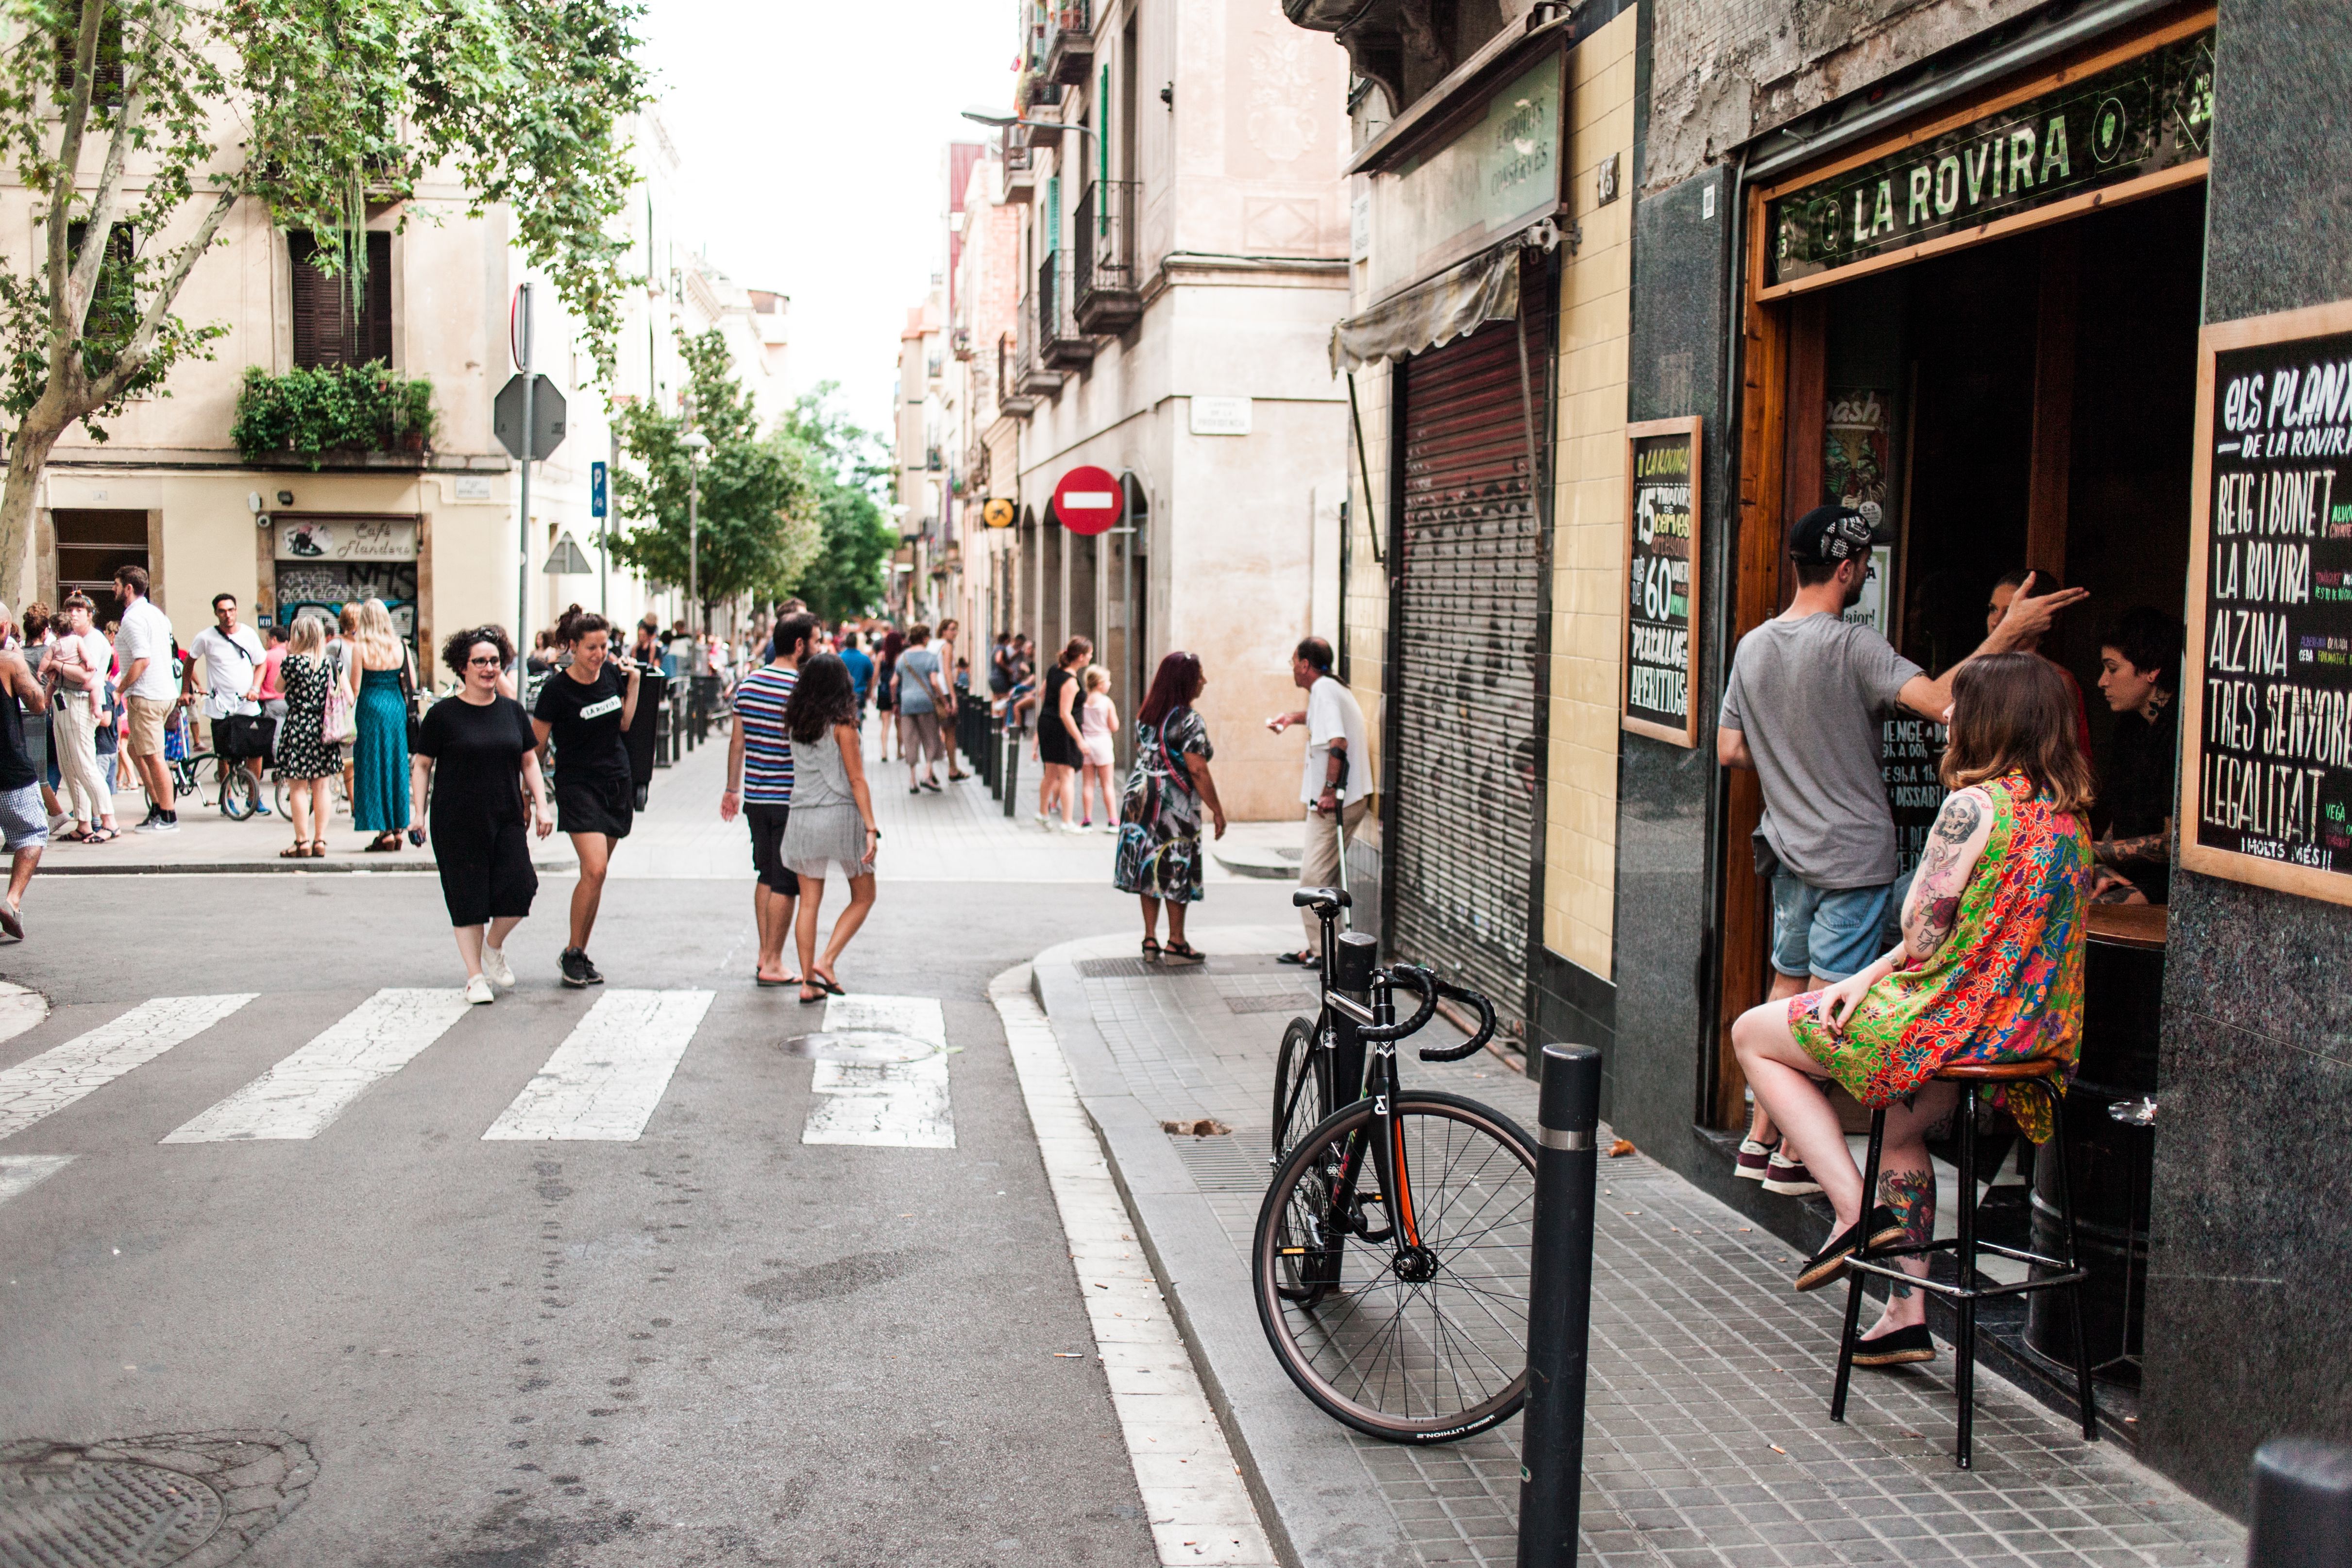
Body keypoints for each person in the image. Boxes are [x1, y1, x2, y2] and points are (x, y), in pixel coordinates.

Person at [1730, 652, 2093, 1366]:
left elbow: (1921, 930)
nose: (1947, 714)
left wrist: (1884, 962)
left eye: (1962, 704)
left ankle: (1850, 1212)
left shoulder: (1973, 806)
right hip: (2027, 1038)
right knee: (1899, 1130)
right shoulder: (2068, 822)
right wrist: (1867, 974)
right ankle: (1904, 1312)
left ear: (1995, 718)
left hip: (1947, 1025)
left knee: (1752, 1033)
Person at [1717, 506, 2083, 1196]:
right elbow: (1942, 700)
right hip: (1850, 853)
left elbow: (1731, 748)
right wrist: (2006, 634)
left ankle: (1758, 1141)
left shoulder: (1753, 646)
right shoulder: (1854, 646)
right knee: (1824, 1001)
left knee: (1786, 980)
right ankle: (1797, 1154)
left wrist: (1792, 757)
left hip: (1786, 846)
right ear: (1849, 568)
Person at [414, 625, 552, 1005]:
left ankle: (493, 946)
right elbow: (422, 764)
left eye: (495, 661)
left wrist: (541, 804)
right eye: (480, 662)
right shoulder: (442, 715)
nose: (489, 668)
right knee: (467, 899)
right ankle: (475, 976)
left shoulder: (511, 711)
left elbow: (529, 760)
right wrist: (418, 815)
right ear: (463, 667)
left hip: (506, 814)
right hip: (455, 819)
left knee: (522, 887)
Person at [532, 605, 642, 987]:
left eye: (604, 646)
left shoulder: (612, 674)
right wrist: (534, 798)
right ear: (573, 647)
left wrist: (635, 684)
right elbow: (537, 747)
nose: (600, 655)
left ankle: (577, 951)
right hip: (578, 786)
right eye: (592, 648)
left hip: (616, 782)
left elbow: (625, 723)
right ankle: (572, 953)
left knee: (596, 875)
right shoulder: (556, 691)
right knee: (594, 869)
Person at [722, 611, 817, 987]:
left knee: (765, 873)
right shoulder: (801, 687)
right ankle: (774, 962)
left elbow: (737, 742)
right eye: (816, 640)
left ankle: (764, 953)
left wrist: (732, 789)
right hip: (789, 798)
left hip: (756, 798)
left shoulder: (749, 683)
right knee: (785, 882)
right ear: (799, 645)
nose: (819, 647)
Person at [1114, 651, 1227, 966]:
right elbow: (1197, 769)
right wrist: (1217, 809)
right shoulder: (1190, 720)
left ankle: (1149, 938)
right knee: (1175, 861)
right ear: (1185, 681)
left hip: (1138, 795)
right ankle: (1176, 941)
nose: (1204, 680)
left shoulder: (1147, 716)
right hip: (1171, 800)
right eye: (1199, 675)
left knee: (1148, 863)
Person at [779, 651, 879, 1004]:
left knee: (809, 902)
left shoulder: (796, 723)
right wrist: (871, 827)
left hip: (803, 817)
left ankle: (808, 982)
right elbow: (857, 780)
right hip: (839, 816)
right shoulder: (844, 725)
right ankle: (827, 960)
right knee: (864, 896)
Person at [1266, 636, 1371, 965]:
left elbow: (1337, 742)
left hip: (1335, 803)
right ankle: (1330, 950)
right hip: (1346, 798)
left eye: (1293, 661)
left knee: (1312, 880)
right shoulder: (1329, 689)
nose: (1292, 668)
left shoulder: (1324, 690)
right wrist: (1291, 718)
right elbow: (1324, 722)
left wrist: (1328, 791)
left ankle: (1322, 953)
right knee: (1325, 880)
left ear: (1305, 665)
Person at [2090, 607, 2183, 906]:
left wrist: (2088, 851)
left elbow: (2175, 845)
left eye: (2113, 669)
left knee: (2092, 914)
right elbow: (2117, 814)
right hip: (2124, 872)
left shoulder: (2180, 732)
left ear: (2151, 670)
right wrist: (2099, 867)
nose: (2102, 681)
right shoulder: (2130, 726)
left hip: (2166, 882)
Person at [1986, 568, 2093, 755]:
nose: (1996, 621)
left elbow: (2061, 763)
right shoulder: (1983, 673)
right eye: (1993, 609)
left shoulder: (2055, 680)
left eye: (2011, 612)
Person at [184, 592, 272, 814]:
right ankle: (227, 799)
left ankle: (255, 798)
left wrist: (255, 688)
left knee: (255, 751)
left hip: (247, 704)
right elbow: (189, 662)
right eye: (223, 611)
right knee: (224, 755)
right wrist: (187, 689)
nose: (228, 615)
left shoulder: (249, 635)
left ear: (237, 611)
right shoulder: (206, 637)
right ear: (216, 613)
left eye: (231, 610)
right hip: (220, 705)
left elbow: (261, 663)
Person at [111, 565, 178, 833]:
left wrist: (119, 691)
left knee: (153, 756)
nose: (113, 590)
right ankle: (157, 807)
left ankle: (168, 815)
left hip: (147, 695)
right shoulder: (157, 615)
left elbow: (142, 660)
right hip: (162, 693)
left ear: (128, 588)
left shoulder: (133, 619)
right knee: (134, 750)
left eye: (116, 585)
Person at [49, 593, 116, 844]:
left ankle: (109, 821)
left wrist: (58, 665)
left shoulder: (94, 640)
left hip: (81, 702)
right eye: (70, 610)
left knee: (86, 765)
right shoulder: (70, 639)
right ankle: (84, 823)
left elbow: (87, 677)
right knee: (69, 766)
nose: (74, 613)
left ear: (90, 614)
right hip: (63, 701)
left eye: (79, 610)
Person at [348, 598, 414, 852]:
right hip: (395, 708)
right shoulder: (401, 646)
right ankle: (398, 828)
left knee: (372, 766)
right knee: (395, 765)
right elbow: (411, 679)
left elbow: (355, 686)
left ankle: (384, 831)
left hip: (371, 707)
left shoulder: (360, 648)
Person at [274, 615, 343, 859]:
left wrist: (290, 653)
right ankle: (320, 840)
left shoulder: (292, 663)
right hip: (323, 729)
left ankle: (302, 841)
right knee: (322, 786)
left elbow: (277, 687)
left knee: (298, 787)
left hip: (297, 727)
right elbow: (347, 695)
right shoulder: (330, 664)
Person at [0, 605, 49, 936]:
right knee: (32, 833)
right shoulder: (8, 660)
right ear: (5, 626)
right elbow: (38, 703)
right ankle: (12, 901)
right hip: (9, 766)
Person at [1034, 635, 1091, 829]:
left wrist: (1048, 708)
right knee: (1067, 775)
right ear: (1081, 657)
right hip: (1062, 729)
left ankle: (1043, 813)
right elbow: (1065, 714)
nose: (1091, 658)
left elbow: (1042, 692)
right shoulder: (1071, 681)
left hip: (1047, 723)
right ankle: (1067, 821)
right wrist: (1080, 740)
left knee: (1050, 773)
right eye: (1090, 654)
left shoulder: (1054, 670)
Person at [894, 623, 949, 792]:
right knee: (931, 738)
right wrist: (944, 701)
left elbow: (893, 682)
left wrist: (894, 702)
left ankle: (912, 781)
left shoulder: (902, 658)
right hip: (926, 703)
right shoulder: (930, 657)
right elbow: (934, 682)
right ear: (925, 638)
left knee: (910, 740)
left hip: (907, 704)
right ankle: (927, 774)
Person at [1074, 663, 1118, 830]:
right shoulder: (1107, 702)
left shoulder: (1083, 701)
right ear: (1100, 684)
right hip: (1103, 743)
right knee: (1107, 784)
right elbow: (1114, 726)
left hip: (1087, 743)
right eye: (1108, 681)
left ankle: (1087, 820)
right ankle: (1113, 820)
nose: (1110, 684)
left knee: (1088, 784)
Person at [935, 618, 970, 781]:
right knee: (950, 733)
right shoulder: (947, 647)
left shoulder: (933, 645)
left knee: (935, 732)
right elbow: (948, 673)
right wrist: (953, 698)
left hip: (933, 692)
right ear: (943, 631)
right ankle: (953, 769)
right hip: (945, 692)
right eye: (952, 629)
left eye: (956, 629)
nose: (955, 633)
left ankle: (931, 770)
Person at [873, 627, 902, 763]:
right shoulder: (900, 656)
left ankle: (884, 752)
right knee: (899, 724)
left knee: (885, 724)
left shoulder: (881, 656)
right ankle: (899, 751)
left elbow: (876, 675)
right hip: (898, 692)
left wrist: (872, 690)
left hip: (884, 691)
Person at [840, 630, 874, 716]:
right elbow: (870, 678)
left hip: (843, 695)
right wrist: (869, 692)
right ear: (856, 643)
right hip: (859, 694)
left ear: (846, 643)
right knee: (857, 720)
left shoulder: (839, 658)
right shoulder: (865, 659)